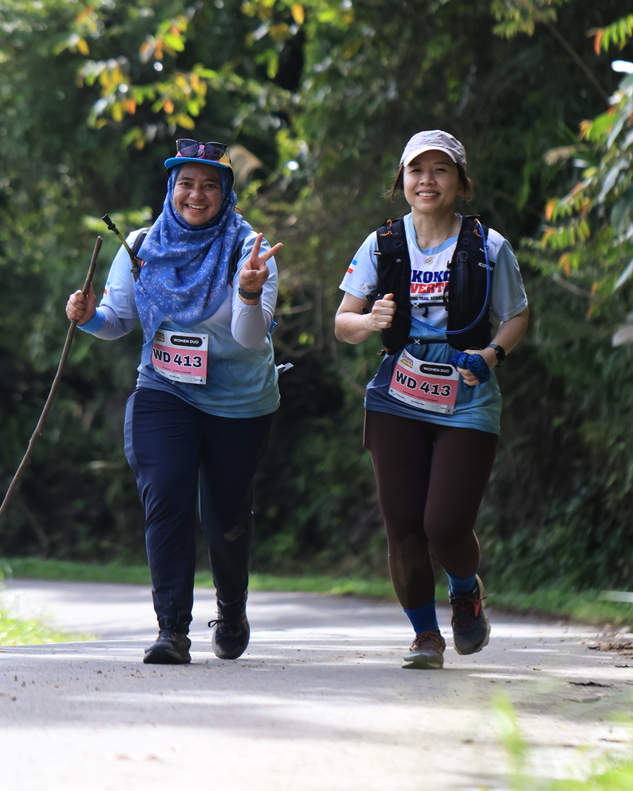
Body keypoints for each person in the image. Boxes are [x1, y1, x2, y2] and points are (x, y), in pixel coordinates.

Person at [66, 139, 282, 666]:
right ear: (171, 188)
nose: (196, 195)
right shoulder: (142, 245)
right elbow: (117, 320)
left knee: (225, 515)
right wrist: (89, 317)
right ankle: (172, 630)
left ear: (226, 193)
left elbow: (249, 337)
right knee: (166, 495)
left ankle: (231, 609)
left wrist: (249, 292)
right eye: (186, 183)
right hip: (164, 389)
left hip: (239, 401)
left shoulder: (250, 251)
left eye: (210, 185)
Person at [334, 130, 528, 670]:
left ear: (461, 183)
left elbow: (516, 316)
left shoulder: (488, 246)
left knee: (444, 525)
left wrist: (490, 355)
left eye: (440, 170)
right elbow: (344, 323)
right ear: (401, 181)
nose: (427, 181)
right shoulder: (382, 244)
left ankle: (465, 590)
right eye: (416, 171)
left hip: (467, 394)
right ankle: (425, 635)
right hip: (396, 394)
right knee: (403, 526)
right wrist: (369, 320)